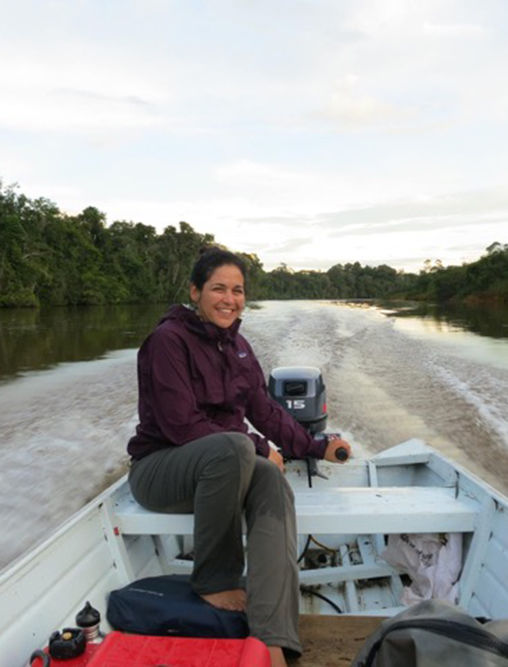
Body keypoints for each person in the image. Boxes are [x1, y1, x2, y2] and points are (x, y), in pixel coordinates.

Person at [127, 247, 351, 667]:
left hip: (222, 469)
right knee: (237, 448)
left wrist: (317, 446)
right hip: (160, 470)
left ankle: (273, 639)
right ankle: (214, 580)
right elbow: (181, 426)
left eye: (238, 290)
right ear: (195, 291)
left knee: (270, 480)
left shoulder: (239, 346)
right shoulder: (167, 342)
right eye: (218, 288)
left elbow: (266, 411)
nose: (229, 299)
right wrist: (255, 444)